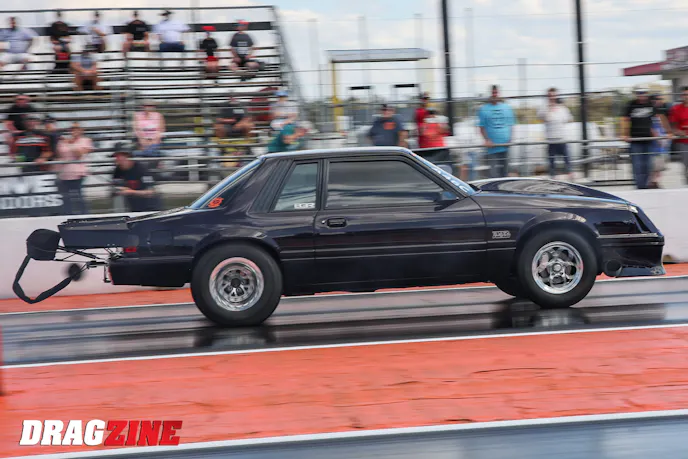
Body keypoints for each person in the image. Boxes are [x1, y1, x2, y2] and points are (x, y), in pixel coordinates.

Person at [621, 87, 671, 189]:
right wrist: (624, 133)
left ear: (647, 94)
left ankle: (646, 186)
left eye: (644, 93)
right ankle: (640, 187)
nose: (642, 95)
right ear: (636, 94)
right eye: (639, 93)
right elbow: (625, 119)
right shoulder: (631, 104)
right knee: (637, 165)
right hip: (635, 140)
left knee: (648, 165)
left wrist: (668, 132)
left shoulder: (651, 104)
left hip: (648, 140)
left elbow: (661, 117)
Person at [477, 84, 515, 178]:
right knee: (493, 174)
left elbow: (511, 125)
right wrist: (487, 140)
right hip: (492, 148)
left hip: (505, 146)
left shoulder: (507, 108)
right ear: (490, 94)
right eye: (493, 93)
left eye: (496, 93)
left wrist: (510, 139)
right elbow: (481, 127)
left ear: (499, 94)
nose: (494, 95)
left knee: (505, 173)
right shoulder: (483, 109)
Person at [54, 122, 93, 215]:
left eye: (76, 129)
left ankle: (85, 215)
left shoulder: (85, 140)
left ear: (81, 130)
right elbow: (59, 155)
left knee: (78, 196)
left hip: (78, 173)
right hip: (64, 173)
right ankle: (68, 215)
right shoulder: (62, 141)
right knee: (65, 198)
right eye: (72, 129)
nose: (74, 131)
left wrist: (70, 144)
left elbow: (79, 154)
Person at [537, 87, 574, 181]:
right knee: (551, 162)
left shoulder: (562, 108)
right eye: (550, 96)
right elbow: (540, 117)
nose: (552, 97)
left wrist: (559, 111)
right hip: (550, 140)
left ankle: (571, 178)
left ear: (557, 96)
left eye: (554, 95)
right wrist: (549, 108)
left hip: (562, 138)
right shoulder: (544, 108)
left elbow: (569, 118)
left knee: (567, 160)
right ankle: (553, 179)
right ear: (547, 96)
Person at [112, 142, 160, 212]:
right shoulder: (117, 170)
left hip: (151, 208)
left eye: (123, 156)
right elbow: (115, 190)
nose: (119, 159)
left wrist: (130, 191)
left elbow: (150, 192)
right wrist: (117, 190)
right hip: (134, 208)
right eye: (117, 156)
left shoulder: (142, 169)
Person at [649, 94, 671, 189]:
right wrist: (656, 135)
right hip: (654, 145)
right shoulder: (650, 114)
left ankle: (656, 182)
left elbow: (667, 127)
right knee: (654, 165)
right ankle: (652, 182)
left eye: (660, 99)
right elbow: (650, 127)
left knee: (660, 166)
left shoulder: (664, 113)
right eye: (656, 100)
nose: (658, 101)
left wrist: (668, 135)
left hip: (663, 144)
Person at [669, 86, 688, 186]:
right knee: (686, 165)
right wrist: (681, 132)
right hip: (683, 142)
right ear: (681, 96)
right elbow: (673, 128)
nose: (686, 96)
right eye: (684, 94)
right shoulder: (676, 109)